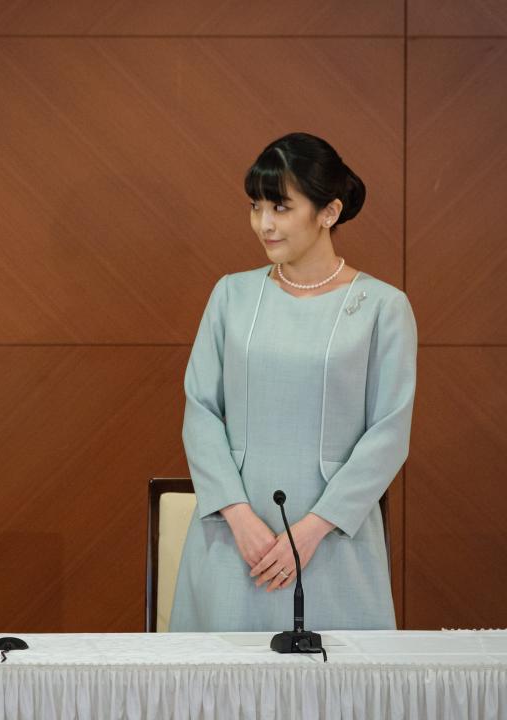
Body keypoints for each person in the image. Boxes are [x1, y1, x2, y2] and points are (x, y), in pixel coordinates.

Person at [169, 132, 416, 631]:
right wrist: (240, 519)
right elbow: (200, 409)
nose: (264, 223)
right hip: (233, 540)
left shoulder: (383, 308)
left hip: (333, 543)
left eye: (280, 206)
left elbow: (388, 433)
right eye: (256, 206)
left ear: (328, 212)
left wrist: (309, 532)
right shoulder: (230, 296)